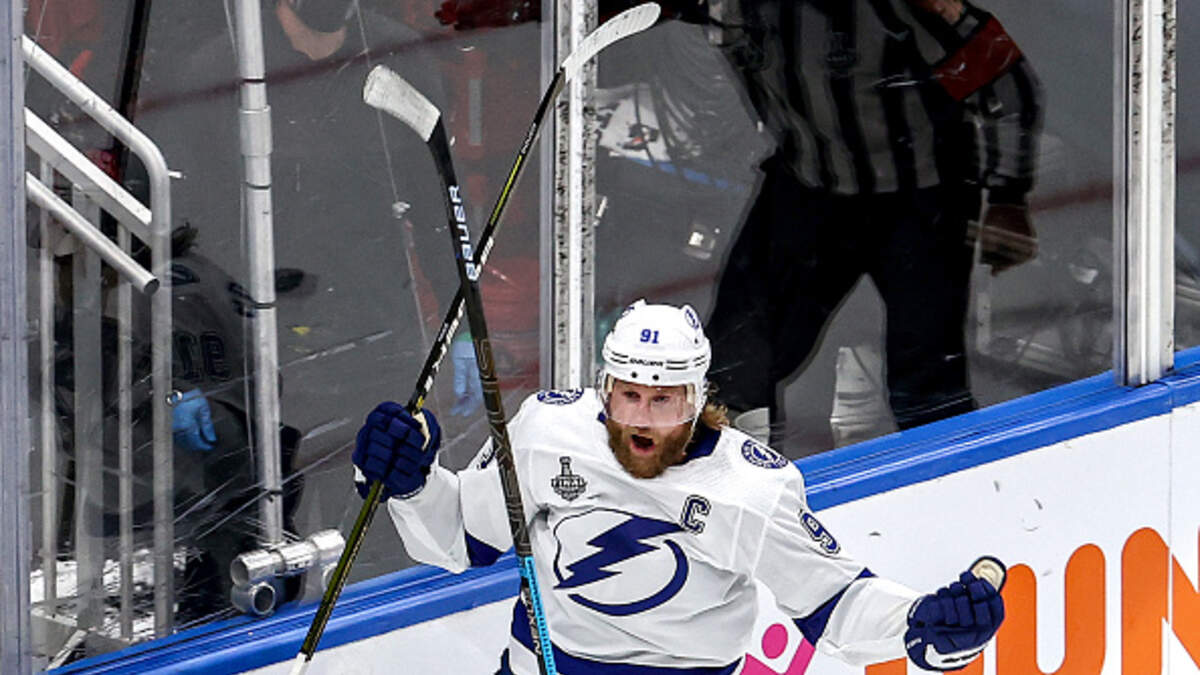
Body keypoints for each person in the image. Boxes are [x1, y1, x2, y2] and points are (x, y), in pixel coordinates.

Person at [351, 299, 1005, 673]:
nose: (641, 419)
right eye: (629, 395)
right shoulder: (547, 432)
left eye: (663, 399)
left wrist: (923, 627)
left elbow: (837, 603)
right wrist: (412, 482)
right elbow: (463, 536)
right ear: (606, 387)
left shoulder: (748, 490)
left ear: (696, 398)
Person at [691, 0, 1045, 446]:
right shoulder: (731, 5)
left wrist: (1008, 197)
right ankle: (730, 471)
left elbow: (1008, 88)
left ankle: (949, 472)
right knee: (733, 361)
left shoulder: (900, 8)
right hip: (809, 185)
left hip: (919, 198)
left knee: (926, 382)